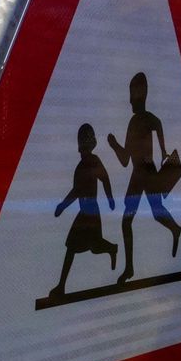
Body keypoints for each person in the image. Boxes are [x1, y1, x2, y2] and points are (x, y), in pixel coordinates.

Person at [107, 72, 181, 284]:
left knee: (137, 218)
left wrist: (113, 144)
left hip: (143, 174)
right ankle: (130, 267)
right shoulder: (147, 120)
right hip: (143, 173)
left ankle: (174, 230)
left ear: (139, 96)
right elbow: (156, 152)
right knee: (135, 218)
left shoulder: (140, 120)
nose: (130, 100)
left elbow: (124, 159)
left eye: (133, 95)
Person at [48, 123, 117, 299]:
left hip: (91, 212)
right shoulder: (80, 167)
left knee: (90, 247)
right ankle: (61, 286)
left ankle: (111, 248)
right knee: (73, 247)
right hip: (83, 212)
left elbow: (105, 178)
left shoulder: (94, 161)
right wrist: (62, 206)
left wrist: (110, 198)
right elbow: (76, 191)